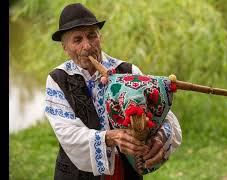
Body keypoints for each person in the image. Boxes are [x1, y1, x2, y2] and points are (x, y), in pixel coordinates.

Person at [45, 3, 182, 180]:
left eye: (91, 35)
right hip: (77, 174)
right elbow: (67, 133)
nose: (87, 45)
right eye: (77, 40)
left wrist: (161, 137)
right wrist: (110, 138)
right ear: (65, 48)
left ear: (100, 37)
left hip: (127, 171)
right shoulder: (58, 79)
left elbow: (163, 115)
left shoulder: (128, 71)